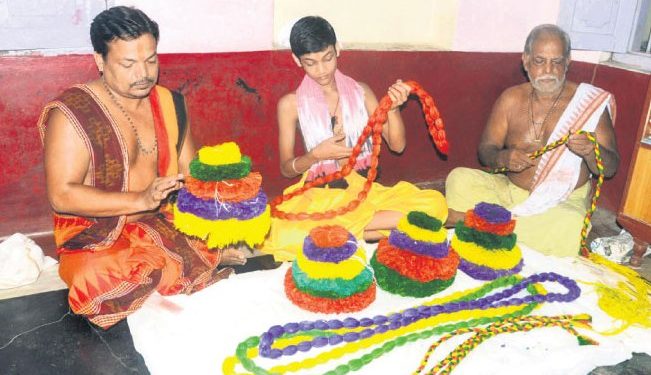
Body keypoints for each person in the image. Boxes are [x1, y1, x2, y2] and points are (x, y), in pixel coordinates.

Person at [38, 6, 246, 329]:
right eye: (129, 63)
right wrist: (139, 200)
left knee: (215, 232)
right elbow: (61, 195)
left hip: (162, 221)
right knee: (90, 277)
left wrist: (220, 218)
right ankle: (189, 264)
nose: (143, 74)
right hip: (100, 234)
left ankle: (189, 259)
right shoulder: (73, 112)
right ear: (99, 61)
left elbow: (191, 178)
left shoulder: (169, 103)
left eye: (151, 60)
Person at [261, 16, 447, 261]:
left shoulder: (361, 92)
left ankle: (343, 233)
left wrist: (392, 108)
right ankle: (366, 231)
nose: (322, 70)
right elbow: (287, 169)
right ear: (297, 60)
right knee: (279, 232)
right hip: (322, 195)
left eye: (328, 58)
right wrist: (315, 156)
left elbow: (397, 145)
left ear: (337, 49)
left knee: (435, 206)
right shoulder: (290, 104)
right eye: (311, 63)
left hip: (367, 191)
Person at [445, 24, 619, 257]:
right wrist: (503, 157)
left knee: (569, 223)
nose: (548, 70)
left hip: (559, 202)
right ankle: (504, 231)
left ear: (567, 63)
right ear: (525, 61)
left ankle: (487, 228)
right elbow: (486, 150)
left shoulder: (588, 104)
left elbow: (609, 168)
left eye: (556, 62)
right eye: (539, 61)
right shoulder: (510, 99)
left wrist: (590, 151)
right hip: (509, 191)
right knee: (459, 179)